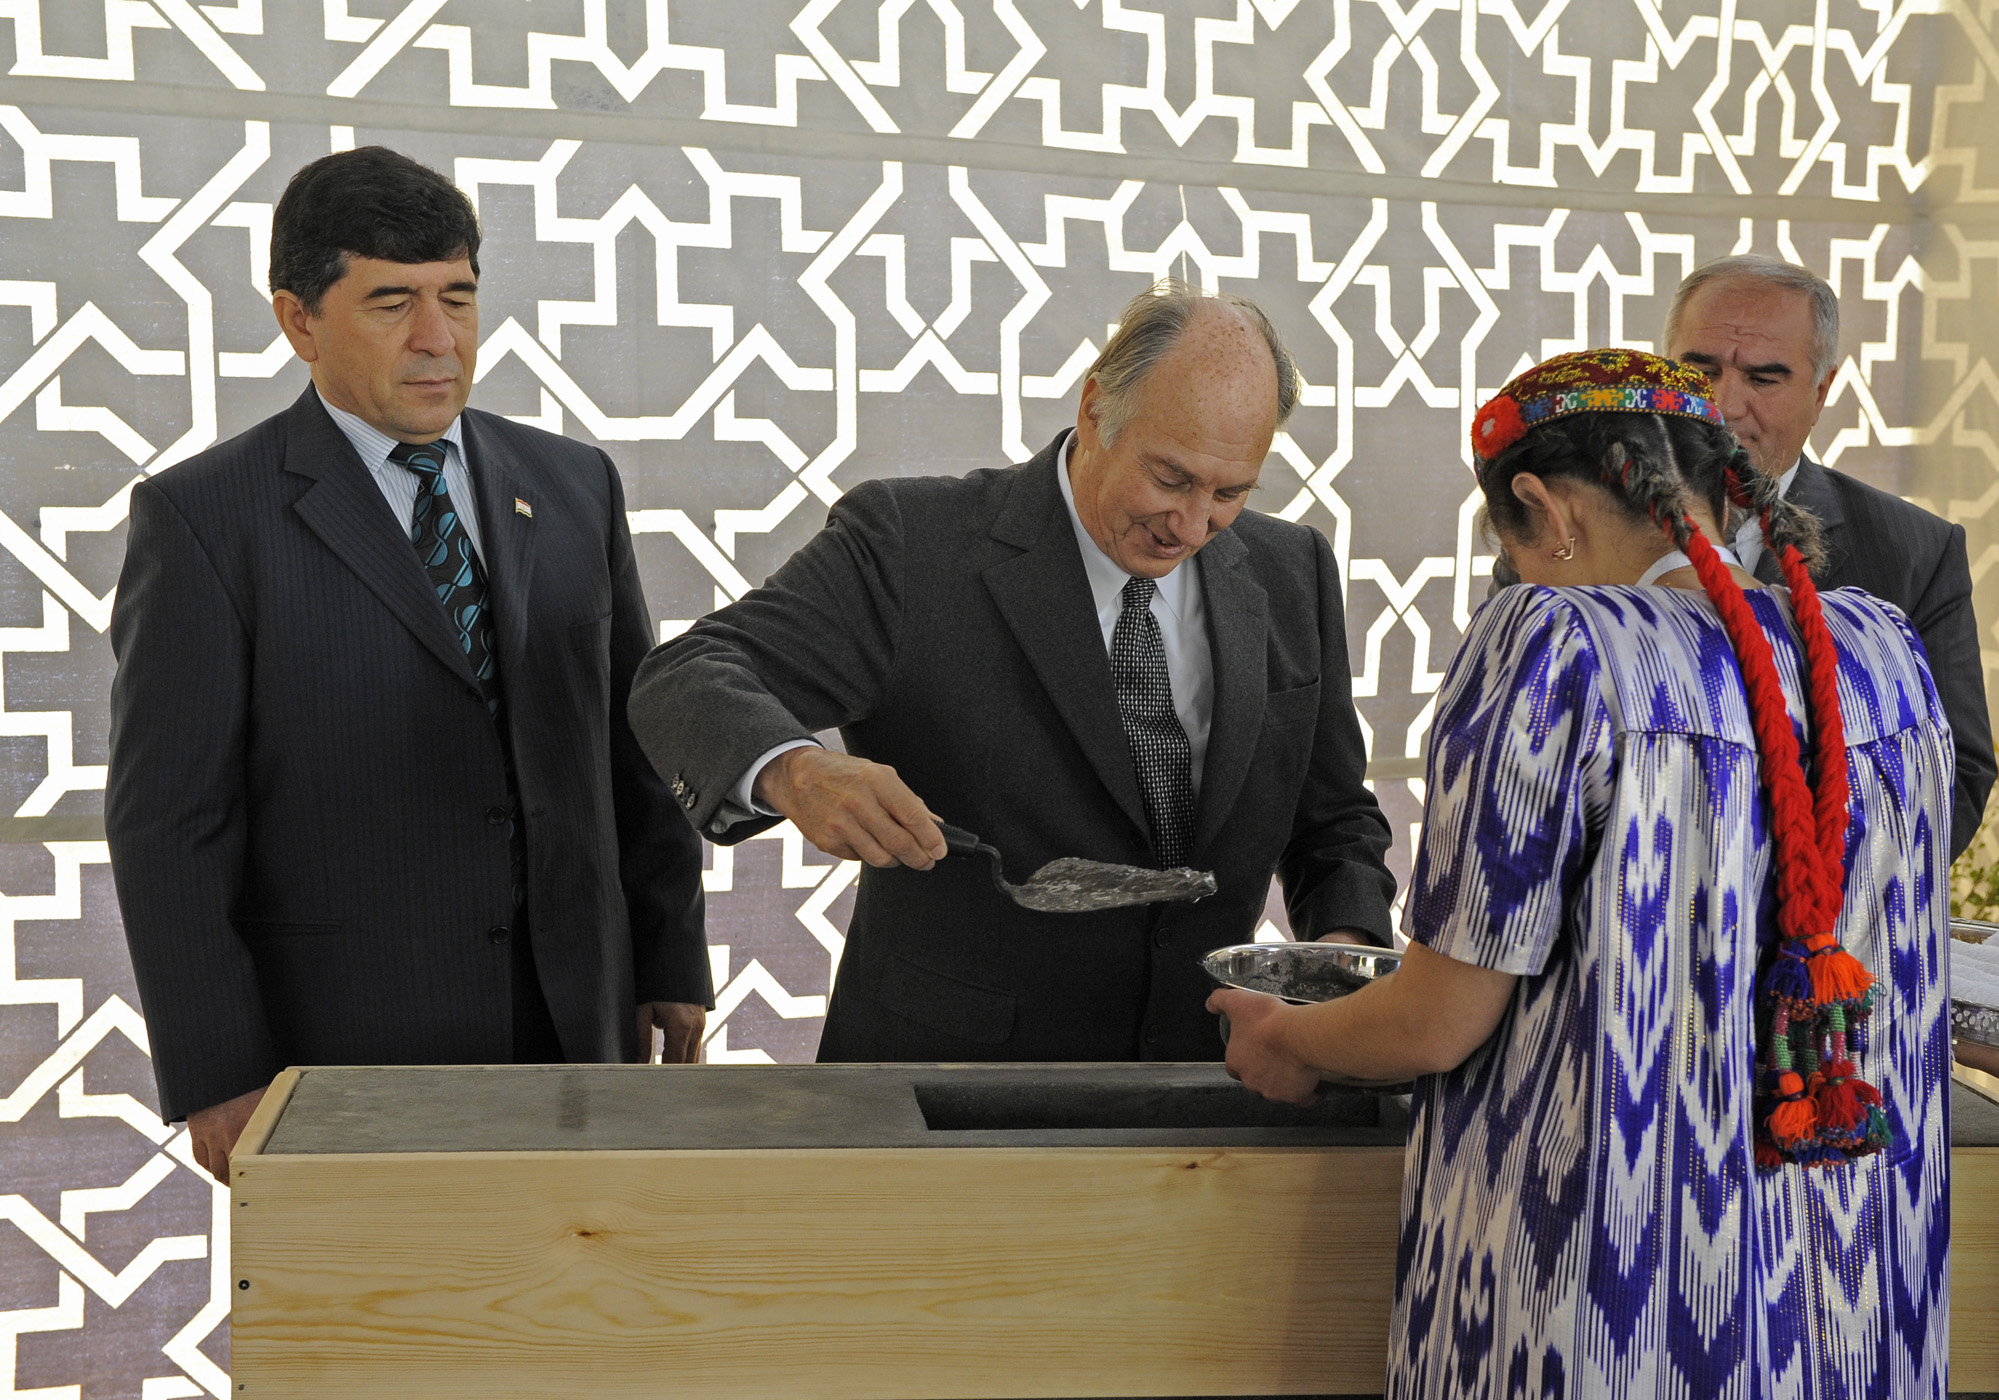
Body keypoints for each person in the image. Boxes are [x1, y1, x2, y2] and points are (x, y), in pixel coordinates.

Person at [1213, 350, 1952, 1396]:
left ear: (1540, 505)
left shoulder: (1556, 643)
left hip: (1608, 1307)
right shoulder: (1880, 652)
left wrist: (1290, 1034)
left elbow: (1438, 1015)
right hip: (1845, 1303)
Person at [107, 147, 712, 1184]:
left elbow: (630, 741)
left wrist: (670, 957)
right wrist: (215, 1069)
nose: (440, 340)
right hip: (343, 1053)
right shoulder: (206, 521)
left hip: (582, 1025)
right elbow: (171, 822)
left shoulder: (575, 484)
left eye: (459, 299)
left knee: (586, 1326)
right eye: (393, 303)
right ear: (299, 318)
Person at [628, 281, 1395, 1062]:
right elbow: (687, 671)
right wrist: (794, 772)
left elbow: (1332, 818)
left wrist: (1341, 957)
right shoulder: (912, 545)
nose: (1193, 525)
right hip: (948, 1099)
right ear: (1096, 406)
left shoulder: (1291, 570)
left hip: (1208, 1085)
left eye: (1229, 492)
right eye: (1169, 479)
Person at [1664, 254, 1993, 854]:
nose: (1725, 405)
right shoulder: (1571, 522)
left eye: (1764, 379)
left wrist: (1761, 891)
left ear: (1821, 392)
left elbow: (1954, 784)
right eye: (1699, 370)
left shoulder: (1916, 550)